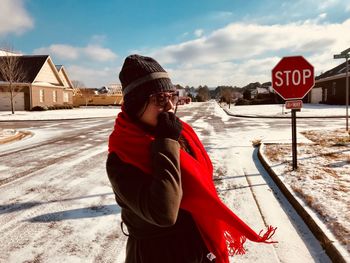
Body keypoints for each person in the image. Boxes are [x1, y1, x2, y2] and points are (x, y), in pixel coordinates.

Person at [106, 54, 276, 263]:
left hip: (199, 246)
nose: (169, 106)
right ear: (135, 103)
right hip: (157, 254)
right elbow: (164, 213)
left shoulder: (181, 133)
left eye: (172, 96)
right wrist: (166, 141)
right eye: (160, 98)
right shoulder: (121, 157)